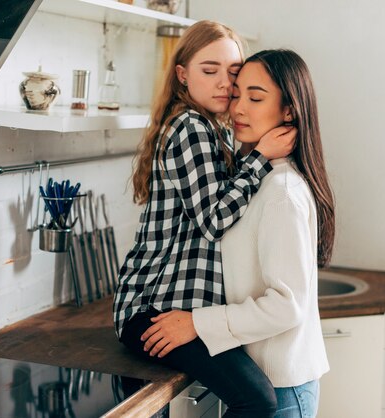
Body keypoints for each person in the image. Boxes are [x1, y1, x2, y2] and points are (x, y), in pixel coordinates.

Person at [112, 20, 297, 418]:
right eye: (209, 71)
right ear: (182, 75)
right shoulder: (189, 126)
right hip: (152, 310)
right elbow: (214, 220)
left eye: (234, 73)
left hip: (176, 309)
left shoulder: (216, 129)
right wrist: (261, 157)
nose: (224, 84)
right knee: (258, 401)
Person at [141, 49, 335, 418]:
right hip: (268, 382)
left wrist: (196, 323)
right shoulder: (256, 177)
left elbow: (286, 305)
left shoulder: (281, 192)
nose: (238, 108)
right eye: (236, 95)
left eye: (256, 97)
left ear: (289, 111)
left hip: (282, 392)